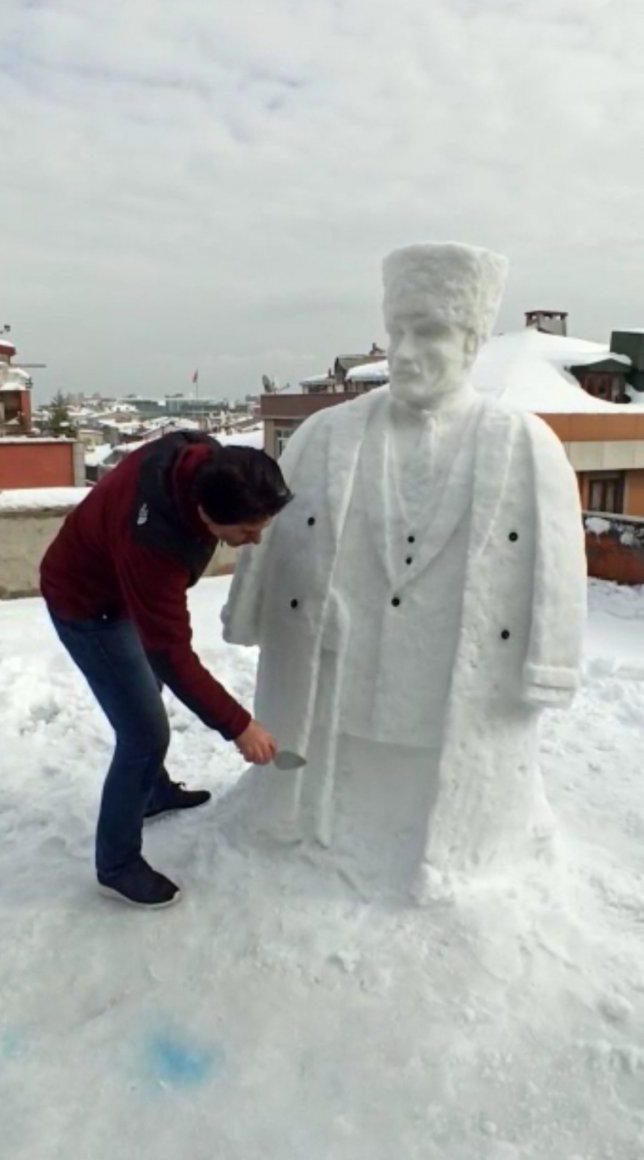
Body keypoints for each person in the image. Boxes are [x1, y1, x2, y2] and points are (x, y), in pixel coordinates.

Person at [221, 243, 587, 898]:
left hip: (450, 698)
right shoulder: (325, 436)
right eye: (398, 333)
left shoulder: (525, 446)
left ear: (473, 342)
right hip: (342, 697)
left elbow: (559, 568)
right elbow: (270, 535)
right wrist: (249, 611)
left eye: (431, 333)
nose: (407, 351)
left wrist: (550, 667)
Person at [40, 431, 291, 908]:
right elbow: (172, 653)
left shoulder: (201, 458)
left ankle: (152, 792)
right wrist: (239, 726)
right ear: (205, 513)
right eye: (245, 531)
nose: (255, 540)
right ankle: (116, 863)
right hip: (88, 607)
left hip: (121, 585)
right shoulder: (155, 542)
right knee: (144, 735)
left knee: (146, 689)